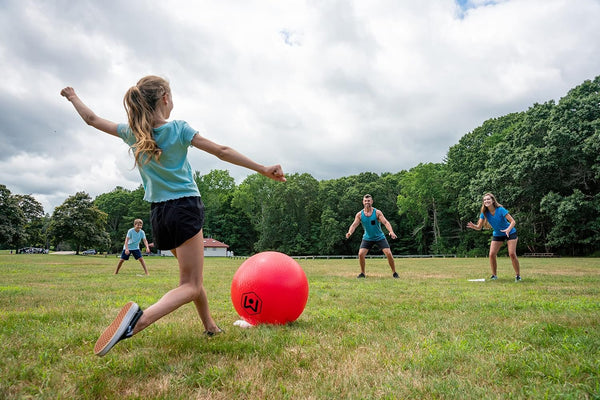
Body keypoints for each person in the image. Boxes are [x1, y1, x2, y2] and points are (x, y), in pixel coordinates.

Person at [61, 76, 286, 356]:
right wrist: (262, 168)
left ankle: (210, 326)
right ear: (165, 97)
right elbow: (222, 151)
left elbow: (92, 119)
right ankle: (137, 322)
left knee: (193, 279)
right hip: (185, 208)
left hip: (159, 215)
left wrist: (72, 96)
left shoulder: (133, 133)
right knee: (189, 284)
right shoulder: (178, 128)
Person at [466, 192, 522, 282]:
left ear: (492, 200)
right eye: (484, 200)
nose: (486, 201)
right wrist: (474, 226)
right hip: (498, 234)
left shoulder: (500, 209)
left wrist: (508, 229)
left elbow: (513, 222)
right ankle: (494, 276)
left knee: (511, 254)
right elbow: (479, 227)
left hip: (510, 232)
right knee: (492, 254)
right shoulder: (484, 213)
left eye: (488, 199)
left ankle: (518, 276)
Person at [346, 194, 399, 278]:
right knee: (361, 254)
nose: (367, 202)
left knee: (388, 253)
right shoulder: (359, 214)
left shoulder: (377, 212)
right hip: (367, 238)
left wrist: (391, 231)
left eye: (369, 201)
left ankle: (394, 273)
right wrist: (350, 232)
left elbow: (386, 222)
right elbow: (354, 225)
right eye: (365, 201)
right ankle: (362, 273)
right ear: (363, 202)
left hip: (379, 237)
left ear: (372, 202)